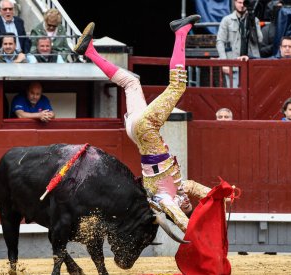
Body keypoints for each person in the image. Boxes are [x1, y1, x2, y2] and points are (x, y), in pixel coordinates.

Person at [74, 16, 212, 233]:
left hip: (145, 129)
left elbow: (178, 216)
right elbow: (195, 187)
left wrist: (192, 229)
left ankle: (181, 32)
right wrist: (224, 195)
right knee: (131, 83)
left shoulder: (166, 200)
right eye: (188, 205)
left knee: (177, 85)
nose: (187, 202)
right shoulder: (179, 189)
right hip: (138, 131)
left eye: (187, 207)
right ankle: (90, 51)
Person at [216, 0, 263, 87]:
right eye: (239, 2)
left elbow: (259, 40)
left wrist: (252, 22)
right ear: (235, 2)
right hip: (233, 63)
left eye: (244, 3)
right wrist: (224, 62)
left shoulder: (254, 20)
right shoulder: (227, 20)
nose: (242, 5)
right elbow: (220, 42)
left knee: (253, 92)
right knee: (233, 92)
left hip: (251, 63)